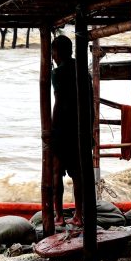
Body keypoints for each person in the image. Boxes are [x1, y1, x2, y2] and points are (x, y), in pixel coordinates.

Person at [50, 35, 91, 227]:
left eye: (53, 52)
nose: (52, 56)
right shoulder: (82, 70)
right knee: (77, 174)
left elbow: (58, 102)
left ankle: (58, 216)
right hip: (80, 127)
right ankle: (79, 215)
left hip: (63, 127)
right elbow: (90, 102)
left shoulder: (58, 73)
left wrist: (52, 128)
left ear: (58, 52)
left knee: (57, 172)